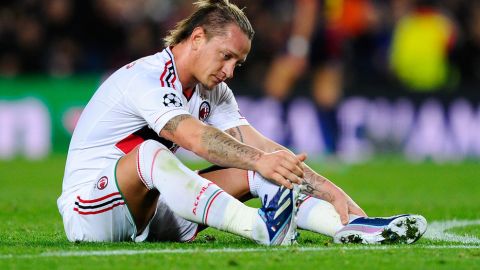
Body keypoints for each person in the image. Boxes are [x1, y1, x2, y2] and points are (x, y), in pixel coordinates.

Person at [58, 0, 426, 246]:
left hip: (149, 214)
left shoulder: (211, 89)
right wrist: (256, 159)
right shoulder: (149, 77)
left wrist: (332, 191)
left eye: (238, 62)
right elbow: (193, 138)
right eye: (226, 56)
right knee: (150, 152)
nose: (231, 71)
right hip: (91, 212)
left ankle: (351, 229)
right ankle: (259, 229)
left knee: (267, 171)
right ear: (197, 38)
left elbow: (262, 148)